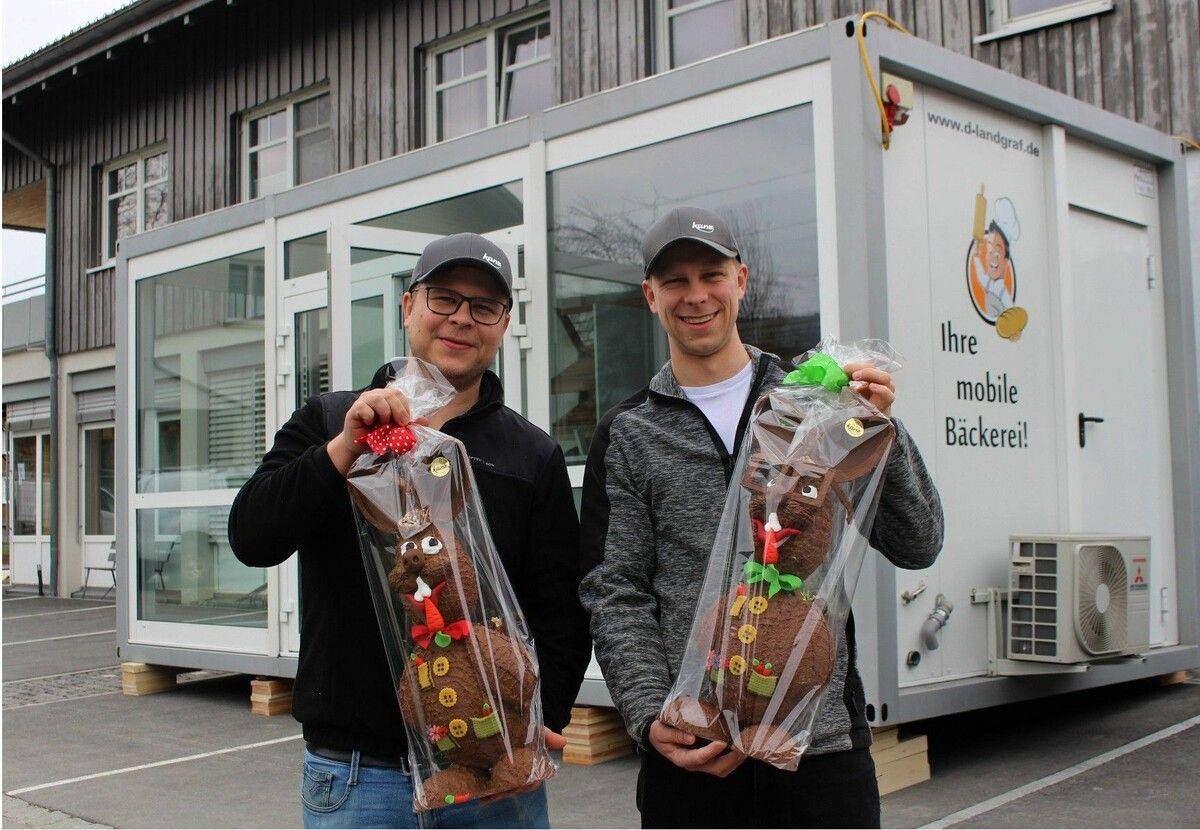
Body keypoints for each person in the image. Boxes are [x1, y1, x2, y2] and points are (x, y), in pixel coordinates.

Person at [578, 206, 944, 828]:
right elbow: (616, 591)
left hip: (820, 750)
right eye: (676, 281)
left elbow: (918, 543)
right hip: (695, 751)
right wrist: (647, 713)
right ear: (650, 296)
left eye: (711, 275)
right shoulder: (628, 433)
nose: (696, 296)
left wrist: (885, 432)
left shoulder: (815, 409)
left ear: (741, 280)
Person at [230, 233, 591, 829]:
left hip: (489, 770)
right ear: (408, 306)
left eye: (483, 308)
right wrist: (344, 448)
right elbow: (252, 536)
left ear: (503, 325)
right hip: (359, 775)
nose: (461, 320)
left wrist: (536, 718)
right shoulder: (326, 421)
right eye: (444, 298)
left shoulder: (530, 454)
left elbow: (560, 604)